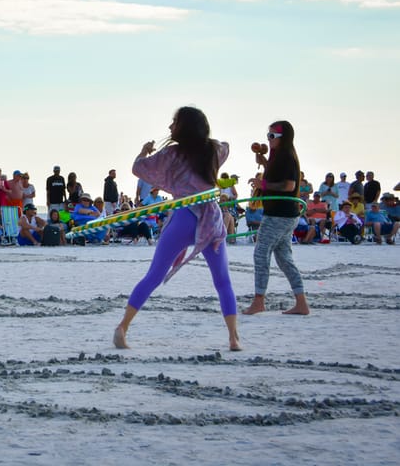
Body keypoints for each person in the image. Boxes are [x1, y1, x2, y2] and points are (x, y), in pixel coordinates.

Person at [114, 106, 240, 351]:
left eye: (174, 122)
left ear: (185, 127)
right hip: (210, 218)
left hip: (184, 217)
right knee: (223, 281)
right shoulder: (214, 149)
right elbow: (226, 146)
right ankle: (234, 338)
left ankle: (122, 328)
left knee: (154, 276)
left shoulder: (172, 154)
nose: (170, 127)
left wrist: (144, 151)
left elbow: (138, 168)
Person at [242, 120, 310, 316]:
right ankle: (301, 303)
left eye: (273, 136)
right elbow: (271, 170)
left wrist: (262, 185)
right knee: (284, 259)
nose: (269, 139)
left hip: (279, 214)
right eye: (268, 136)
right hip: (286, 214)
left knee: (261, 253)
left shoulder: (287, 157)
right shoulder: (279, 157)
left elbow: (288, 186)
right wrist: (261, 157)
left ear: (284, 138)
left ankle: (258, 301)